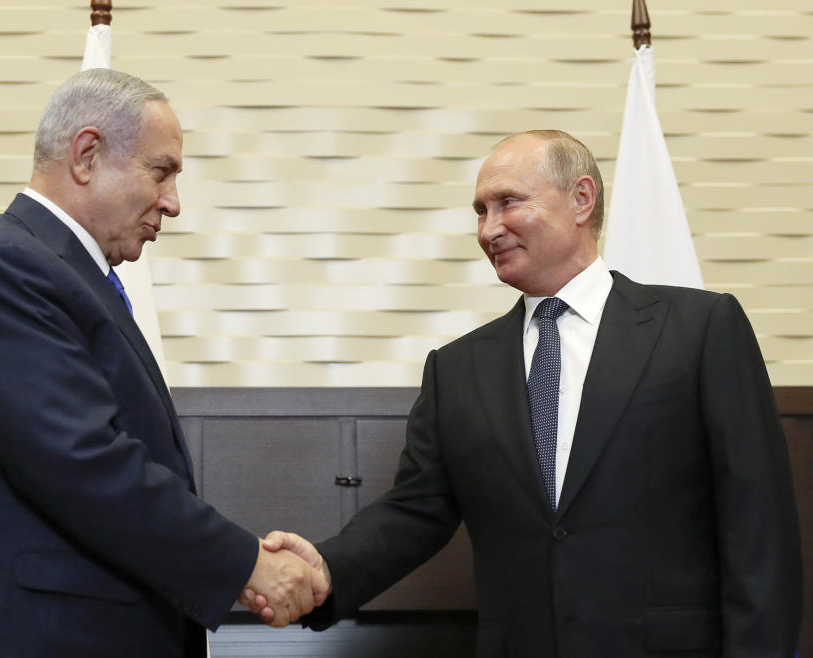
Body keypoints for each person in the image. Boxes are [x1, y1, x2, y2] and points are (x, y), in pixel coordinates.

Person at [247, 130, 802, 657]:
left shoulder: (699, 329)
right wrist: (324, 569)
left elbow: (758, 526)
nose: (489, 229)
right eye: (480, 211)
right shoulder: (457, 369)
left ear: (581, 199)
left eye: (508, 202)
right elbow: (414, 512)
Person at [0, 68, 327, 658]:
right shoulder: (7, 270)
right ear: (86, 155)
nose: (173, 202)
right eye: (160, 171)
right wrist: (246, 564)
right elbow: (82, 461)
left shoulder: (66, 274)